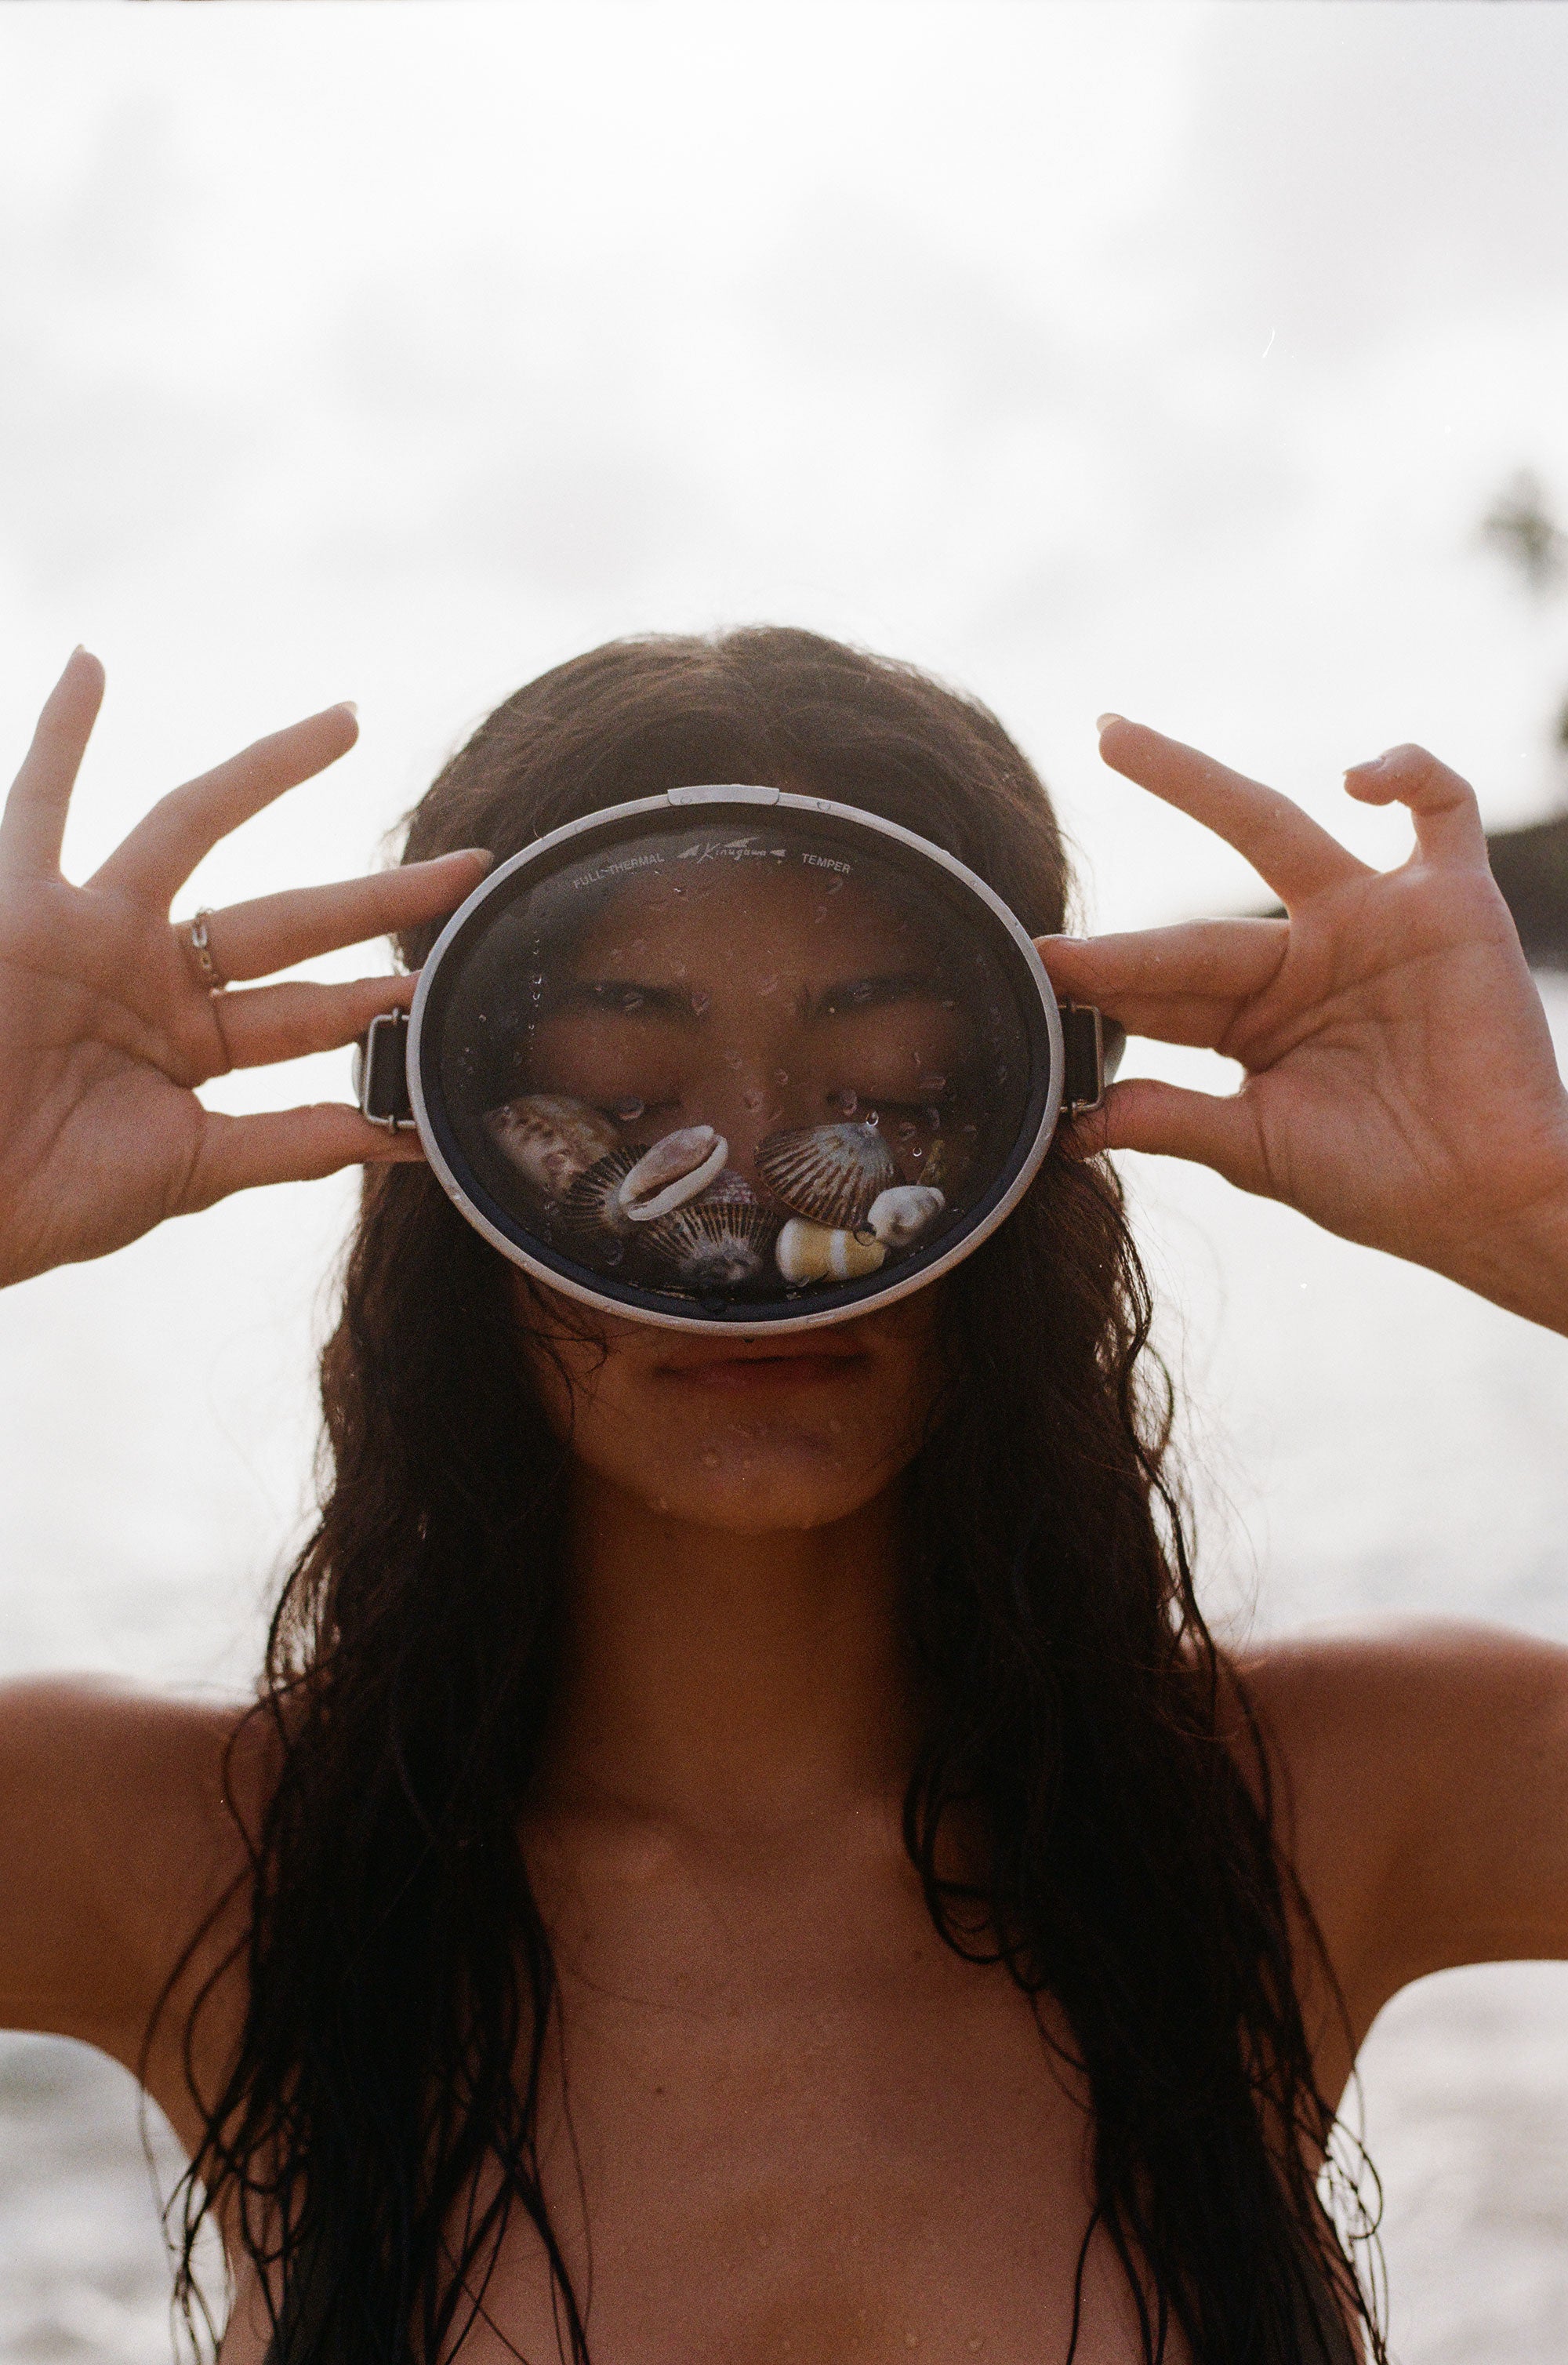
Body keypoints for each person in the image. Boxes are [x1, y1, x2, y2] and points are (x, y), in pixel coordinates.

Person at [2, 627, 1566, 2365]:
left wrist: (1537, 1218)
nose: (739, 1204)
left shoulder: (1325, 1805)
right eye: (612, 1103)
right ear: (445, 1151)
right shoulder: (200, 1853)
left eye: (893, 1093)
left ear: (1039, 1128)